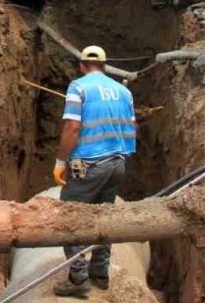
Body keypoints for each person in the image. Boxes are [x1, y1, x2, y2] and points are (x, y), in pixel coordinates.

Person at [52, 45, 137, 298]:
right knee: (103, 218)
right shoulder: (123, 91)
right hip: (117, 163)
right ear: (104, 65)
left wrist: (60, 162)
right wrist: (123, 156)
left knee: (69, 219)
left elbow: (72, 128)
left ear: (81, 65)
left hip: (89, 166)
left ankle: (78, 279)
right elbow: (133, 127)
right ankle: (100, 273)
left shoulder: (78, 87)